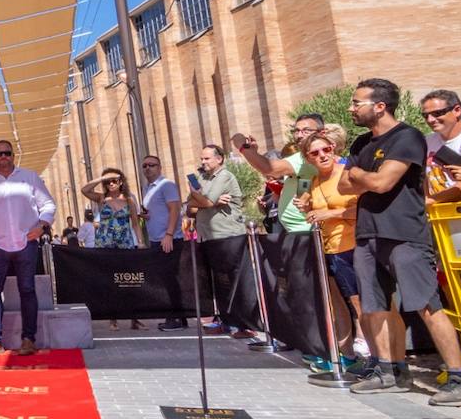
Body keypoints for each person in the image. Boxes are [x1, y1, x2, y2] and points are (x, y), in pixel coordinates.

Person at [339, 78, 461, 405]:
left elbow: (383, 183)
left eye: (357, 103)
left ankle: (459, 378)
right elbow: (344, 186)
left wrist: (362, 177)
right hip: (367, 233)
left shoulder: (407, 137)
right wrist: (362, 178)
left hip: (404, 234)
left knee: (426, 304)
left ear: (380, 106)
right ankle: (391, 370)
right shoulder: (360, 143)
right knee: (374, 307)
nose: (351, 108)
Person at [234, 114, 332, 360]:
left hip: (306, 234)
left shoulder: (306, 158)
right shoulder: (303, 160)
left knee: (312, 296)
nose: (299, 134)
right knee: (304, 293)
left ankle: (325, 350)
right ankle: (315, 344)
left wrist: (243, 148)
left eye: (305, 130)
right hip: (297, 233)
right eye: (296, 130)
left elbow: (269, 168)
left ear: (321, 132)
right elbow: (294, 184)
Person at [0, 140, 56, 356]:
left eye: (7, 153)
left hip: (25, 243)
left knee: (27, 290)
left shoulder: (29, 177)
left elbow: (48, 204)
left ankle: (28, 340)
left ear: (13, 155)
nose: (3, 157)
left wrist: (42, 226)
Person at [292, 127, 367, 368]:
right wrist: (306, 209)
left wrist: (331, 213)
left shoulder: (348, 174)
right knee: (338, 303)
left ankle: (376, 356)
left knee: (361, 303)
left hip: (355, 245)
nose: (322, 155)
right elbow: (315, 213)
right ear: (308, 158)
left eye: (327, 149)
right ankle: (346, 353)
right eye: (315, 153)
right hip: (329, 247)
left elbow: (366, 210)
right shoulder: (311, 182)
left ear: (335, 148)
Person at [186, 144, 257, 338]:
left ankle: (245, 325)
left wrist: (204, 201)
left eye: (207, 158)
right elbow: (189, 208)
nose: (203, 162)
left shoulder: (225, 176)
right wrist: (206, 201)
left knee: (236, 281)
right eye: (202, 159)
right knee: (220, 283)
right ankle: (227, 322)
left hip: (228, 235)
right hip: (209, 236)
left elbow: (205, 202)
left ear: (220, 159)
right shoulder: (202, 178)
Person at [81, 167, 144, 330]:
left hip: (125, 241)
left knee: (129, 279)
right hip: (105, 242)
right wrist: (101, 178)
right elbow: (84, 190)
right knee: (109, 279)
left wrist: (141, 242)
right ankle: (112, 318)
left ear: (121, 181)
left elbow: (136, 224)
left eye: (114, 180)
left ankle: (134, 318)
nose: (111, 184)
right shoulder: (102, 199)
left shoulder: (129, 200)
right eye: (108, 182)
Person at [139, 156, 189, 332]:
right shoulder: (147, 188)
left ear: (159, 167)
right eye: (144, 165)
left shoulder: (166, 185)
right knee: (165, 279)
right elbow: (157, 211)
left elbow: (174, 209)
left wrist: (169, 234)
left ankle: (175, 317)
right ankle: (178, 317)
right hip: (155, 239)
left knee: (169, 278)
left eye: (151, 165)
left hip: (169, 239)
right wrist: (147, 216)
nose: (147, 168)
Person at [422, 89, 461, 166]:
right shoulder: (428, 141)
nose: (430, 120)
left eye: (437, 113)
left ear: (457, 110)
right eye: (425, 115)